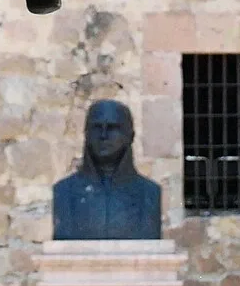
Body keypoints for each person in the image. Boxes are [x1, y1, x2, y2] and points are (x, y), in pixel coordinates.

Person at [52, 98, 162, 238]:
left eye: (112, 128)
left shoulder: (149, 193)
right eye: (96, 128)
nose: (103, 135)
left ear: (130, 136)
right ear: (86, 134)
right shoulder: (64, 191)